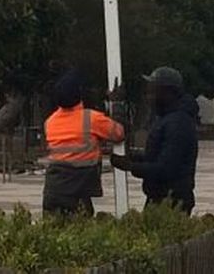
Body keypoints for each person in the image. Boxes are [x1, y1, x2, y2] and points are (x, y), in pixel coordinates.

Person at [110, 66, 199, 214]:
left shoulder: (178, 123)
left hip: (172, 202)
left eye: (153, 91)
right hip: (159, 198)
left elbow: (166, 168)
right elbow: (157, 155)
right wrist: (133, 157)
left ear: (167, 92)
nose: (148, 96)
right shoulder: (166, 118)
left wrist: (131, 166)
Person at [41, 69, 126, 216]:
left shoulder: (50, 122)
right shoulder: (91, 119)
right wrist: (117, 104)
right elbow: (119, 134)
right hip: (78, 191)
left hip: (53, 191)